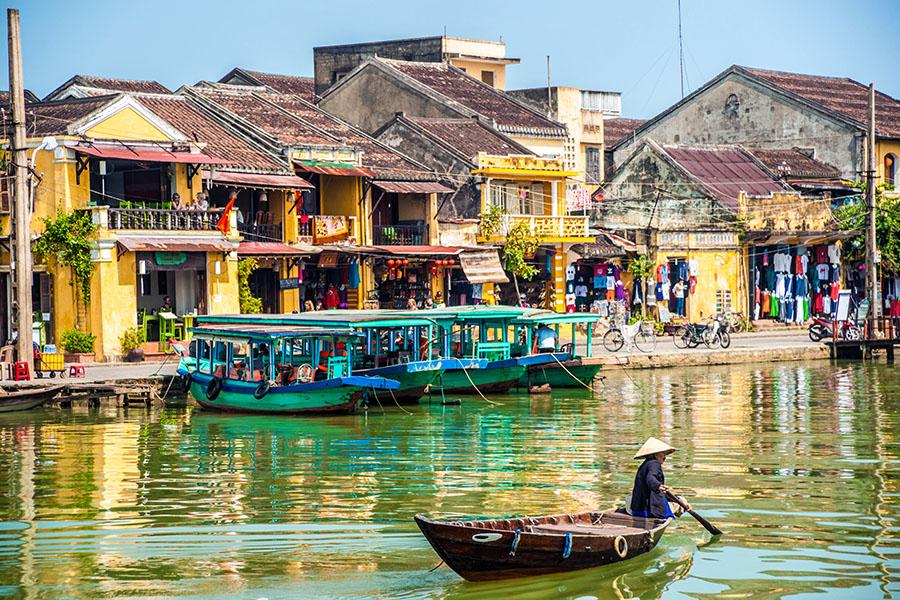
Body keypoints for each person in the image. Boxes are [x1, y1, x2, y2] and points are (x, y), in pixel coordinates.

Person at [629, 437, 691, 519]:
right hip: (650, 511)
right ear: (655, 454)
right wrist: (658, 486)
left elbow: (654, 486)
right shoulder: (655, 464)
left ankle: (682, 504)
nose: (664, 457)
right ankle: (682, 507)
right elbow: (650, 479)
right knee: (682, 500)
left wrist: (659, 487)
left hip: (637, 509)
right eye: (663, 454)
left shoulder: (645, 465)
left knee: (678, 500)